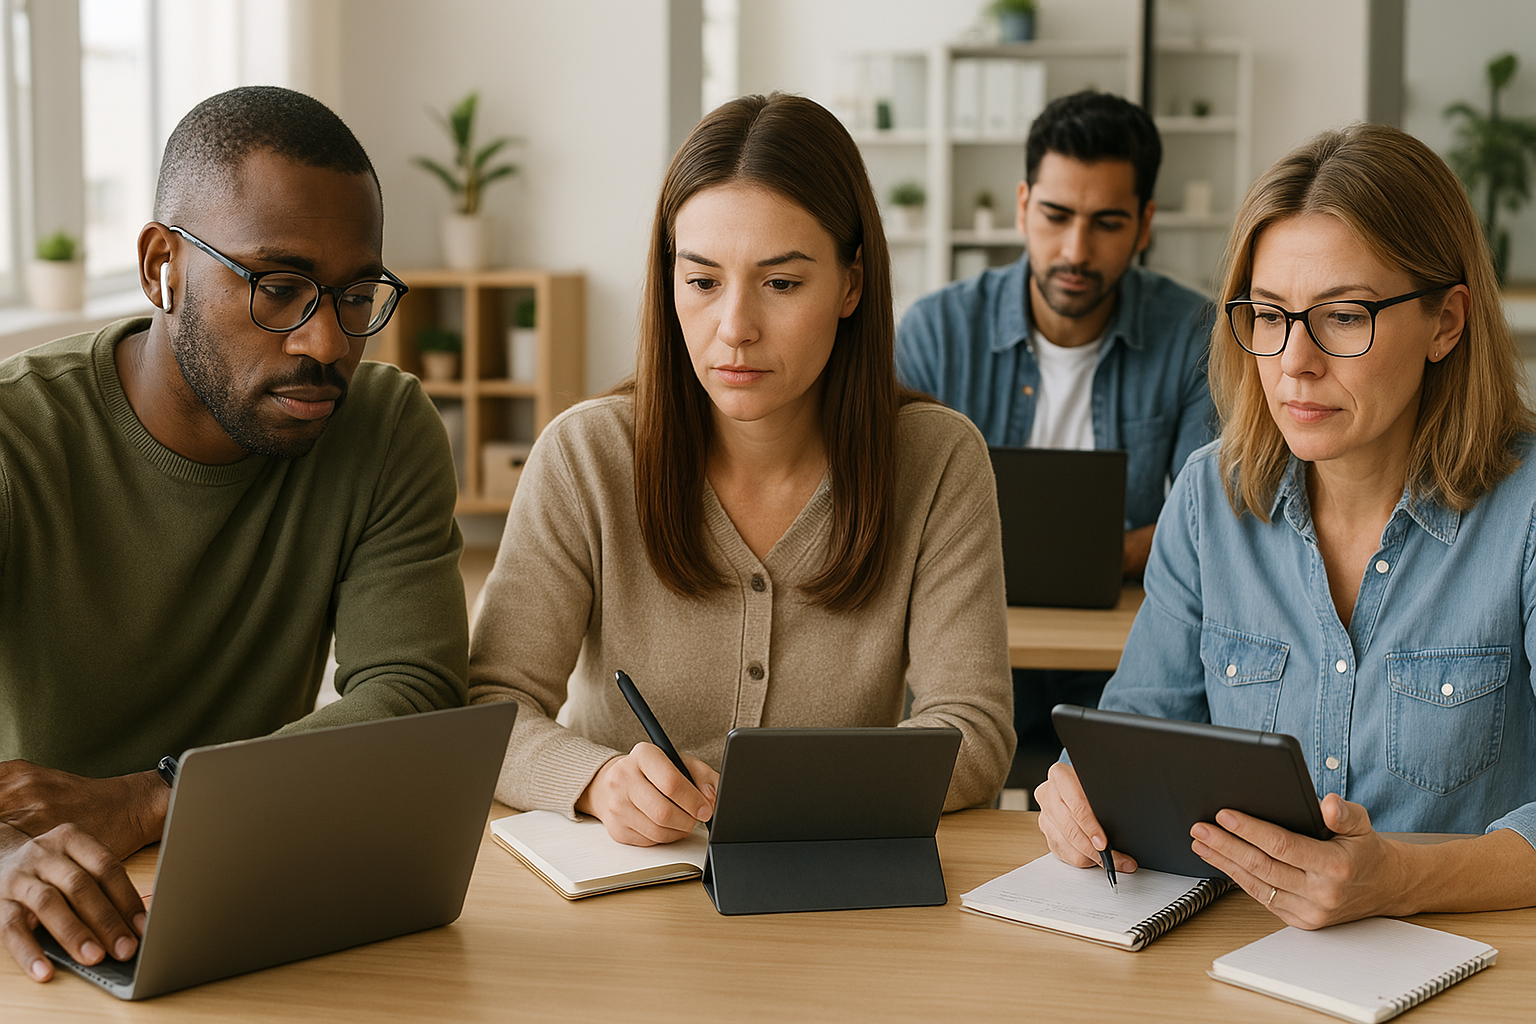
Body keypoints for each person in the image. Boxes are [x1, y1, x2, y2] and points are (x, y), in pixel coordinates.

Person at [0, 86, 467, 982]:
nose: (328, 342)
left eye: (357, 293)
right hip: (45, 932)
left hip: (257, 910)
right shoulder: (19, 438)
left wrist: (147, 800)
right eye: (279, 287)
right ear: (161, 266)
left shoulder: (383, 427)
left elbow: (413, 698)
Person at [468, 93, 1014, 846]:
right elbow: (490, 707)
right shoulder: (585, 457)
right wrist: (595, 781)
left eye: (782, 284)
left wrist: (767, 791)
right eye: (702, 281)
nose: (735, 329)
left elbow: (975, 735)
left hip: (826, 891)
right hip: (621, 893)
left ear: (852, 283)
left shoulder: (938, 460)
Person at [1036, 122, 1536, 927]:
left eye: (1343, 316)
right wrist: (1078, 792)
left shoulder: (1527, 512)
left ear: (1446, 322)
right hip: (1242, 962)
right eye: (1269, 316)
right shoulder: (1209, 498)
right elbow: (1132, 731)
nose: (1294, 361)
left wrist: (1399, 880)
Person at [896, 90, 1216, 781]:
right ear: (1021, 206)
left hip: (1124, 651)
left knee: (1114, 808)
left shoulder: (1196, 336)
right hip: (962, 636)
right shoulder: (933, 333)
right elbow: (889, 502)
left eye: (1106, 223)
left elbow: (1210, 514)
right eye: (1055, 215)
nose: (1076, 249)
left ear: (1144, 224)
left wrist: (1096, 561)